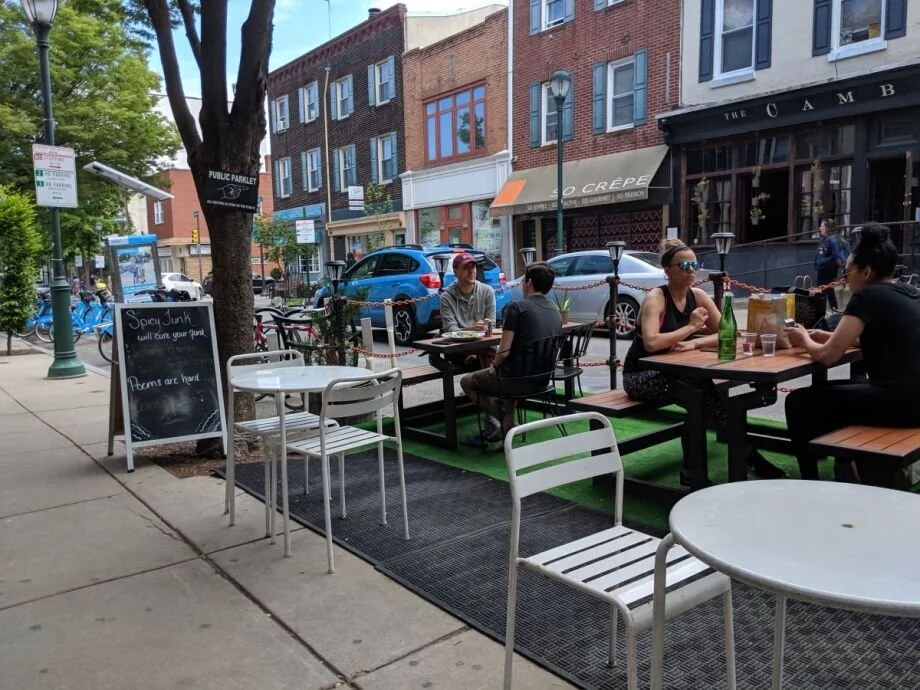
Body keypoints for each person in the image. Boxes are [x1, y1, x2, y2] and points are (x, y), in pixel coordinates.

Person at [622, 238, 783, 484]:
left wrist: (696, 342)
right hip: (641, 376)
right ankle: (736, 460)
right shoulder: (656, 298)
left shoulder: (696, 295)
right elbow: (651, 343)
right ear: (668, 270)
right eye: (684, 266)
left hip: (678, 373)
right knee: (698, 393)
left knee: (701, 389)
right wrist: (691, 327)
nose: (692, 271)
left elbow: (728, 331)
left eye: (694, 265)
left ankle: (699, 469)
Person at [785, 223, 920, 488]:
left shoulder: (867, 296)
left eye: (847, 273)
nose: (845, 278)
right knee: (836, 398)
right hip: (914, 400)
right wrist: (827, 336)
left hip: (901, 405)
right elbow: (882, 336)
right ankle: (845, 464)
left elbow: (826, 357)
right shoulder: (911, 293)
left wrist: (804, 339)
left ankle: (809, 484)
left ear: (866, 272)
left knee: (798, 402)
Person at [460, 261, 562, 441]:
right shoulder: (555, 311)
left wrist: (493, 368)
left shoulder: (517, 308)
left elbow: (504, 352)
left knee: (466, 381)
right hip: (543, 379)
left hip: (514, 380)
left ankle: (505, 422)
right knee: (511, 367)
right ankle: (508, 422)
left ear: (528, 282)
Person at [439, 252, 495, 334]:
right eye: (466, 268)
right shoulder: (446, 297)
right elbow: (450, 328)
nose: (471, 271)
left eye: (473, 267)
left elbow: (492, 324)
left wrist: (486, 325)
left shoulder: (487, 291)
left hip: (483, 341)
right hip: (457, 344)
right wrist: (471, 330)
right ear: (455, 272)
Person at [814, 218, 848, 311]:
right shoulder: (828, 239)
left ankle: (821, 314)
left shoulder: (831, 239)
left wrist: (840, 262)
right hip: (824, 269)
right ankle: (834, 310)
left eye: (822, 226)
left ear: (827, 228)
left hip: (826, 270)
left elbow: (839, 253)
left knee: (822, 293)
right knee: (829, 292)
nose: (820, 228)